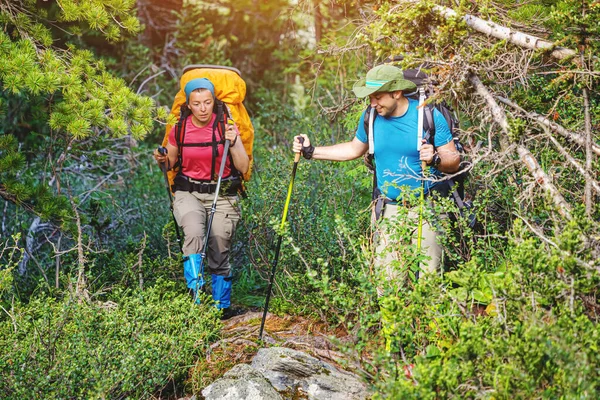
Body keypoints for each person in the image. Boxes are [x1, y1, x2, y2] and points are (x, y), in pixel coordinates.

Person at [293, 64, 460, 284]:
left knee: (429, 284)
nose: (373, 103)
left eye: (378, 97)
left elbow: (454, 160)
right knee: (388, 283)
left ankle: (430, 320)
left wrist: (435, 158)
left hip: (427, 208)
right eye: (371, 97)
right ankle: (393, 320)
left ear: (396, 92)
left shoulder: (428, 115)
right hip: (388, 208)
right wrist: (311, 151)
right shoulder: (370, 116)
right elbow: (353, 149)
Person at [154, 77, 249, 317]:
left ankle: (221, 308)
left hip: (223, 192)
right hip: (189, 192)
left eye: (207, 102)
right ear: (188, 104)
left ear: (213, 101)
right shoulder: (180, 129)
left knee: (219, 244)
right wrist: (162, 160)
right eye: (197, 104)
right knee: (194, 235)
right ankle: (196, 302)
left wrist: (234, 141)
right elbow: (171, 164)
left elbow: (244, 166)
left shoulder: (226, 127)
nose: (203, 108)